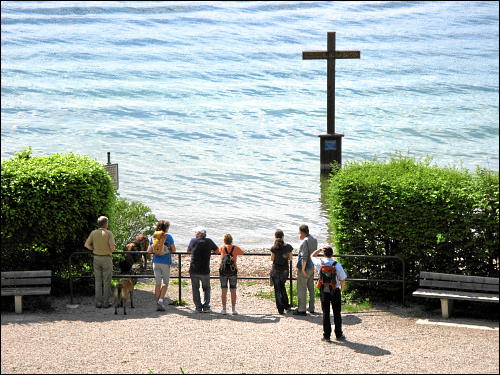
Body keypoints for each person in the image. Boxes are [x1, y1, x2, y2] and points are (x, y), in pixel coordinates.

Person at [311, 245, 347, 342]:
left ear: (324, 253)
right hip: (335, 290)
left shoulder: (320, 263)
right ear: (332, 254)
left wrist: (319, 249)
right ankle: (338, 335)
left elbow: (312, 256)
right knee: (337, 313)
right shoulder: (337, 265)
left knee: (326, 313)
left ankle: (326, 336)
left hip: (324, 290)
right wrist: (341, 289)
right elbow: (343, 279)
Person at [84, 216, 116, 308]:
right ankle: (106, 303)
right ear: (106, 224)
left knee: (97, 281)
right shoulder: (109, 233)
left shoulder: (93, 233)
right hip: (106, 258)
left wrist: (94, 249)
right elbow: (112, 249)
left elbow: (86, 245)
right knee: (106, 281)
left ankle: (98, 303)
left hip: (96, 258)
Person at [187, 227, 218, 313]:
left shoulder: (193, 241)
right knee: (206, 288)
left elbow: (188, 251)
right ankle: (206, 307)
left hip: (194, 269)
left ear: (199, 234)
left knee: (195, 288)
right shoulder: (209, 241)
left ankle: (198, 307)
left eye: (196, 233)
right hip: (205, 269)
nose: (195, 234)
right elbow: (217, 250)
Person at [147, 220, 176, 311]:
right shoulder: (168, 236)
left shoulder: (153, 236)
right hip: (165, 262)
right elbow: (174, 250)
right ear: (166, 228)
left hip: (155, 262)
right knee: (166, 283)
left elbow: (148, 251)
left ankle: (158, 303)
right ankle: (160, 301)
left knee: (157, 283)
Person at [293, 224, 318, 316]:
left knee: (302, 288)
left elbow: (304, 257)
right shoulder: (314, 240)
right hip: (312, 266)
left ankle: (301, 309)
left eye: (299, 233)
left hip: (305, 268)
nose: (298, 235)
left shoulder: (304, 242)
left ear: (303, 233)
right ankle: (311, 307)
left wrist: (302, 270)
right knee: (311, 288)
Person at [217, 233, 244, 315]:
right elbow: (242, 252)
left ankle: (224, 309)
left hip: (223, 272)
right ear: (231, 240)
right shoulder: (235, 248)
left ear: (224, 241)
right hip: (233, 271)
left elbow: (217, 251)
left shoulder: (222, 248)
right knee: (233, 291)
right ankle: (233, 309)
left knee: (224, 291)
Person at [270, 229, 293, 315]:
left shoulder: (274, 247)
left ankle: (280, 309)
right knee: (282, 286)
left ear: (275, 237)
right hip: (285, 270)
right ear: (283, 237)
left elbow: (272, 259)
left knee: (277, 289)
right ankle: (286, 305)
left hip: (276, 270)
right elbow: (290, 258)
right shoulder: (288, 247)